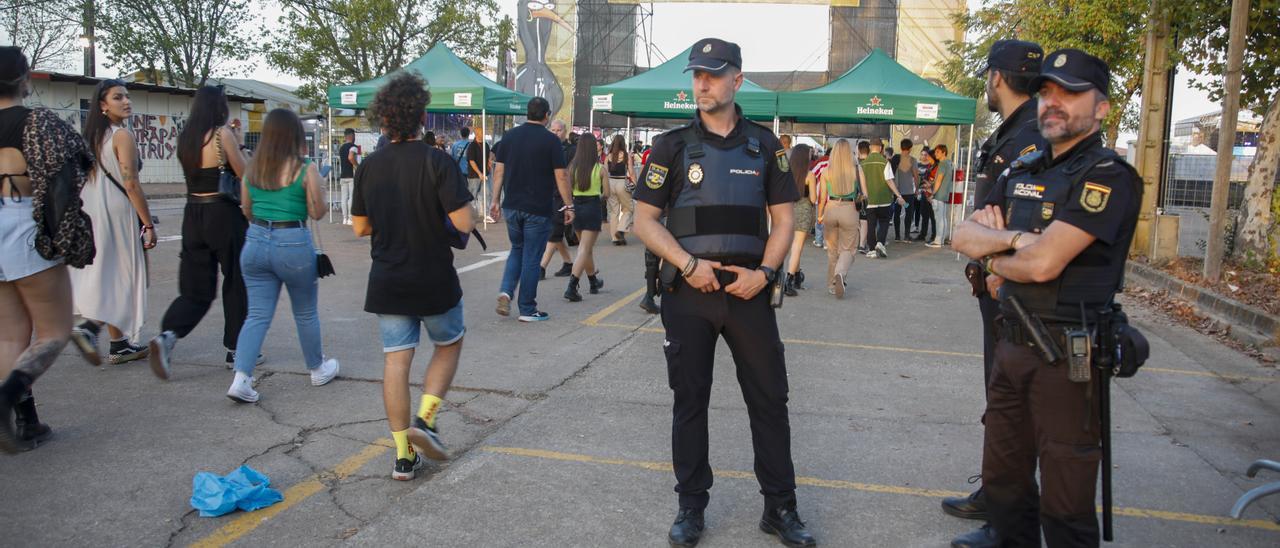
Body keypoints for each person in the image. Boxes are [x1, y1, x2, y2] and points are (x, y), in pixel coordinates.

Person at [631, 38, 815, 548]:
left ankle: (780, 507)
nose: (702, 83)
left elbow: (784, 220)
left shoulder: (765, 145)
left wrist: (769, 272)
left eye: (713, 74)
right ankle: (691, 506)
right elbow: (643, 219)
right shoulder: (671, 146)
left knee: (769, 400)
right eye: (696, 75)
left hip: (748, 290)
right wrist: (687, 265)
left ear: (738, 78)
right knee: (689, 400)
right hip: (689, 292)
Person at [952, 49, 1140, 548]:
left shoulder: (1107, 176)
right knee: (1005, 485)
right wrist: (1014, 244)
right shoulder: (1026, 166)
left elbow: (1043, 265)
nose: (1053, 103)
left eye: (1070, 93)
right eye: (1046, 91)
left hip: (1067, 356)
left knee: (1065, 506)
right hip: (1012, 343)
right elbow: (961, 235)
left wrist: (997, 256)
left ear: (1101, 108)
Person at [944, 39, 1047, 548]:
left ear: (997, 79)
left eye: (987, 77)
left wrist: (994, 256)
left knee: (1013, 403)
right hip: (996, 284)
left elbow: (1016, 223)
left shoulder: (1032, 137)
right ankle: (996, 490)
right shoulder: (1013, 132)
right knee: (1000, 395)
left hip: (1015, 289)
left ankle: (1008, 515)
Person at [351, 72, 474, 480]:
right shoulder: (437, 161)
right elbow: (463, 222)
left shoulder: (369, 166)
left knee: (395, 362)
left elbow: (359, 227)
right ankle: (427, 418)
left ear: (383, 119)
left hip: (388, 277)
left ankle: (403, 455)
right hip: (433, 276)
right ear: (421, 116)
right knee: (448, 343)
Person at [0, 47, 96, 453]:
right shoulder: (36, 122)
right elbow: (77, 164)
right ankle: (4, 402)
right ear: (25, 79)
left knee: (9, 336)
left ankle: (26, 421)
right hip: (25, 223)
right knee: (54, 332)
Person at [225, 108, 339, 403]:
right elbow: (316, 211)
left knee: (257, 314)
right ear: (295, 136)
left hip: (256, 241)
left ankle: (241, 377)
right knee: (305, 311)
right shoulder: (305, 168)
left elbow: (247, 210)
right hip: (293, 242)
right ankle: (317, 368)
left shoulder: (252, 168)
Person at [149, 86, 255, 380]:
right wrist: (241, 145)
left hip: (193, 212)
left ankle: (168, 335)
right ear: (218, 107)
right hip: (223, 213)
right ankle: (236, 348)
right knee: (236, 279)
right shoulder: (222, 134)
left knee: (196, 286)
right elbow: (244, 173)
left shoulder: (187, 137)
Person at [68, 80, 155, 366]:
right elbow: (131, 183)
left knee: (107, 272)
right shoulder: (121, 136)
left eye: (127, 96)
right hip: (117, 212)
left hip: (92, 209)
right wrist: (148, 223)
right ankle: (90, 327)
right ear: (103, 105)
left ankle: (119, 344)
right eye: (118, 97)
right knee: (123, 275)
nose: (126, 101)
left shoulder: (92, 136)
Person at [488, 98, 574, 322]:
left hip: (512, 206)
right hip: (537, 208)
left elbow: (498, 171)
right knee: (532, 257)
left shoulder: (509, 137)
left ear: (527, 113)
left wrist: (495, 200)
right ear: (546, 115)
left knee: (517, 248)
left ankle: (506, 291)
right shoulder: (551, 141)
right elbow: (561, 175)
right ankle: (527, 308)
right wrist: (568, 204)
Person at [814, 139, 866, 299]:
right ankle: (840, 274)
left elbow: (821, 198)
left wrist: (820, 215)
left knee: (832, 251)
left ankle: (831, 284)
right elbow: (865, 194)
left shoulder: (826, 171)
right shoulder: (857, 170)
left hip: (830, 209)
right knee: (849, 249)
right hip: (849, 210)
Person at [563, 133, 606, 302]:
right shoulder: (600, 168)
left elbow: (567, 188)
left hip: (577, 207)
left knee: (585, 248)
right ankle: (572, 286)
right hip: (592, 207)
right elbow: (607, 194)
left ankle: (593, 281)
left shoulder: (572, 168)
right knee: (584, 249)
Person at [541, 120, 575, 279]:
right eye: (552, 130)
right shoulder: (548, 147)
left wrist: (570, 201)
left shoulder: (571, 150)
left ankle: (541, 267)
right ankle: (568, 263)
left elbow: (567, 175)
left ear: (565, 131)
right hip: (548, 192)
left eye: (558, 130)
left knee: (555, 230)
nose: (555, 133)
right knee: (556, 229)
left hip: (563, 195)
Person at [862, 138, 905, 258]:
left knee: (871, 224)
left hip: (870, 199)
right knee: (884, 221)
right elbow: (889, 180)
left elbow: (861, 182)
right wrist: (898, 195)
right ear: (881, 148)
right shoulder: (885, 162)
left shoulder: (863, 163)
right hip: (884, 199)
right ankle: (880, 242)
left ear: (870, 147)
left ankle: (871, 249)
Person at [783, 144, 814, 296]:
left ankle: (796, 276)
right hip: (804, 210)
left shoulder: (787, 173)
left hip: (789, 210)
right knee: (797, 247)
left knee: (794, 247)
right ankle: (788, 280)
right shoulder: (810, 176)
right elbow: (813, 199)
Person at [605, 135, 636, 245]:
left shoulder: (608, 156)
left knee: (613, 212)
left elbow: (605, 172)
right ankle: (621, 230)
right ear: (623, 143)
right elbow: (631, 172)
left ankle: (615, 238)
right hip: (622, 183)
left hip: (610, 183)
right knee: (629, 208)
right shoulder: (626, 156)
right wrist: (635, 183)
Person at [892, 138, 920, 241]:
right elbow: (916, 176)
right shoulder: (912, 160)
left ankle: (897, 236)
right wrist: (916, 189)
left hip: (897, 192)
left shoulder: (896, 158)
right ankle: (907, 236)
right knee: (908, 213)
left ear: (901, 147)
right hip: (909, 192)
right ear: (910, 148)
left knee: (897, 213)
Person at [927, 145, 955, 248]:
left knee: (939, 218)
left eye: (938, 152)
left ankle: (938, 240)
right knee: (943, 218)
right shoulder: (948, 163)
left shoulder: (942, 164)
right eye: (935, 152)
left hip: (939, 194)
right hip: (945, 194)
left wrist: (933, 193)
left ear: (944, 152)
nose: (936, 154)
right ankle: (941, 239)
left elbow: (939, 180)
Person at [338, 128, 358, 224]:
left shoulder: (341, 148)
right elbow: (351, 157)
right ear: (352, 136)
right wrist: (357, 166)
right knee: (351, 197)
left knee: (344, 198)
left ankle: (344, 218)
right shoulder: (354, 147)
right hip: (351, 175)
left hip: (343, 175)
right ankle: (350, 218)